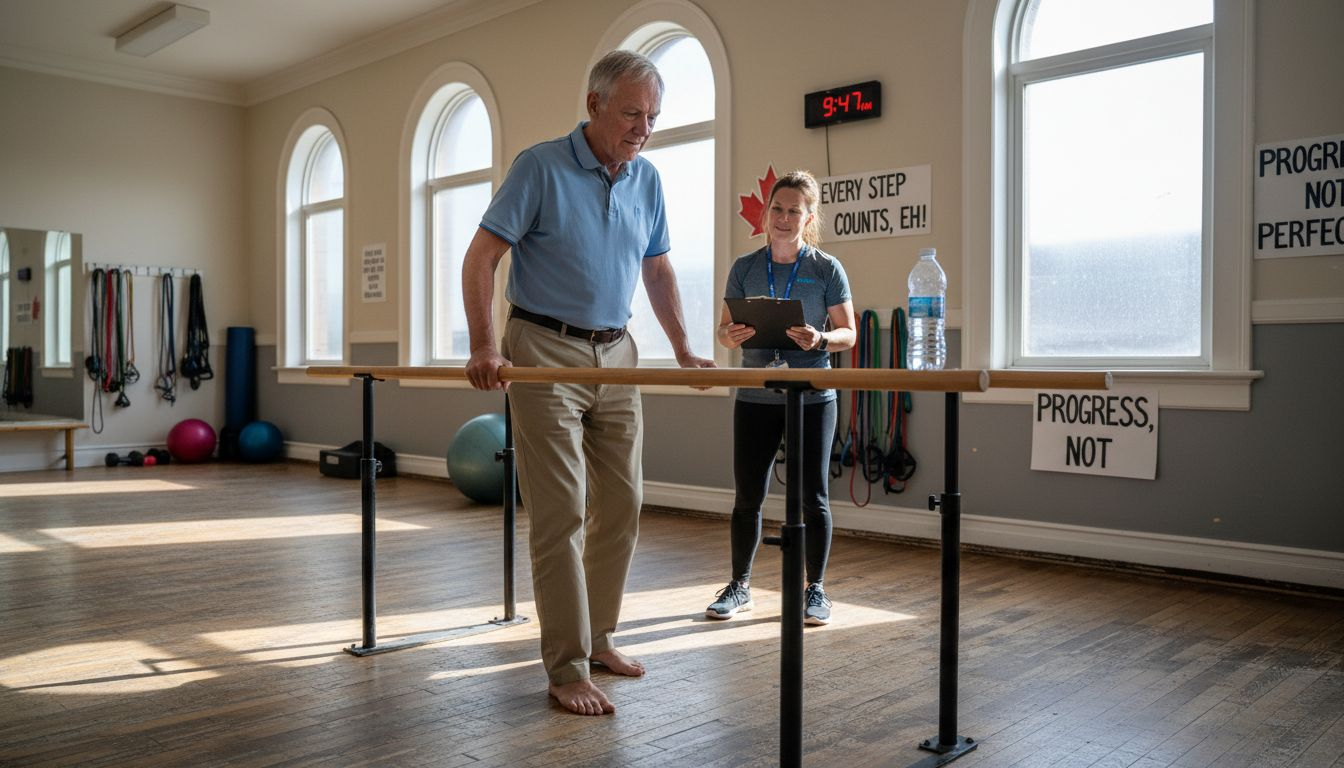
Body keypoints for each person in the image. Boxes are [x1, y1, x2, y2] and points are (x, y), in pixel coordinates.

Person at [461, 50, 714, 716]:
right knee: (561, 511)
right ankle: (567, 666)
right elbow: (482, 257)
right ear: (595, 104)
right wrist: (483, 345)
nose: (643, 128)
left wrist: (684, 349)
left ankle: (600, 638)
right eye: (632, 113)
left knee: (624, 504)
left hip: (617, 350)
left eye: (652, 116)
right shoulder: (540, 167)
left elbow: (657, 271)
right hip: (543, 346)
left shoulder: (648, 179)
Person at [707, 170, 856, 626]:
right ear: (766, 214)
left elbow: (848, 334)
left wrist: (820, 338)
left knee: (814, 497)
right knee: (747, 495)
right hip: (755, 396)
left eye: (794, 211)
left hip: (812, 396)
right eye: (777, 208)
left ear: (808, 218)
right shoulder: (745, 267)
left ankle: (816, 589)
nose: (784, 217)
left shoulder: (826, 269)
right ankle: (739, 585)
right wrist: (730, 336)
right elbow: (724, 331)